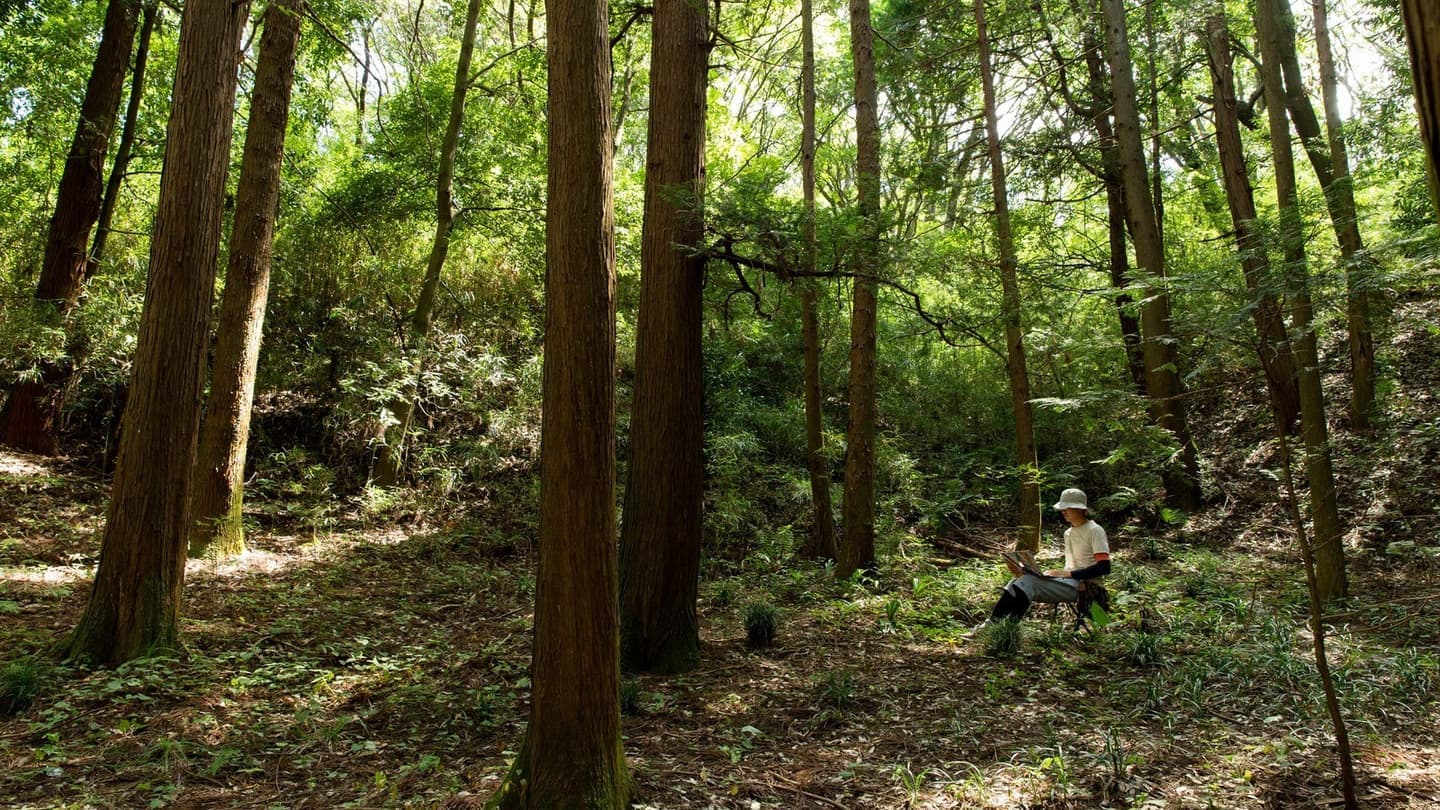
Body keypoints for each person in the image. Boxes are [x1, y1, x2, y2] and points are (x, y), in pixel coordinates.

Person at [981, 487, 1111, 627]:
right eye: (1063, 508)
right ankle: (990, 626)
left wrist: (1068, 574)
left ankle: (1009, 631)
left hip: (1087, 586)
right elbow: (1073, 565)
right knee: (1016, 581)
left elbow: (1104, 567)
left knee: (1028, 582)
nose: (1064, 511)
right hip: (1071, 581)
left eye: (1068, 508)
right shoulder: (1068, 533)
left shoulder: (1095, 530)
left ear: (1080, 509)